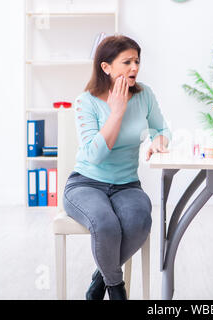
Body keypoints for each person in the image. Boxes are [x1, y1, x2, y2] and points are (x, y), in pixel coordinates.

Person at [63, 35, 171, 300]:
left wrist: (158, 141)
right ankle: (116, 289)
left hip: (127, 185)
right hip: (85, 183)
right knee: (105, 224)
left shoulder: (144, 94)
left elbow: (162, 128)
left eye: (137, 61)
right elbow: (95, 155)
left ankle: (100, 279)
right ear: (106, 67)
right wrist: (116, 113)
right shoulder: (85, 101)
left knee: (139, 221)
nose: (134, 68)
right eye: (127, 62)